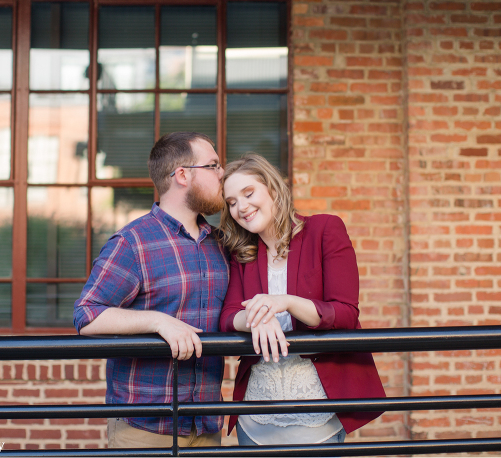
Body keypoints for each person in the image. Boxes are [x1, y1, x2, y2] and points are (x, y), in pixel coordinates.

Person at [73, 132, 229, 449]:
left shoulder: (222, 243)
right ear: (183, 175)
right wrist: (157, 321)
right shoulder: (133, 243)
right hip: (145, 427)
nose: (222, 173)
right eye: (213, 165)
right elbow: (87, 315)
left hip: (207, 423)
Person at [218, 153, 386, 446]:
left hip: (316, 415)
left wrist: (285, 302)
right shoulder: (242, 253)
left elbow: (345, 313)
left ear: (272, 187)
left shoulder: (324, 230)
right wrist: (259, 317)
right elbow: (229, 316)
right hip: (255, 417)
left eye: (248, 193)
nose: (241, 207)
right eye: (231, 202)